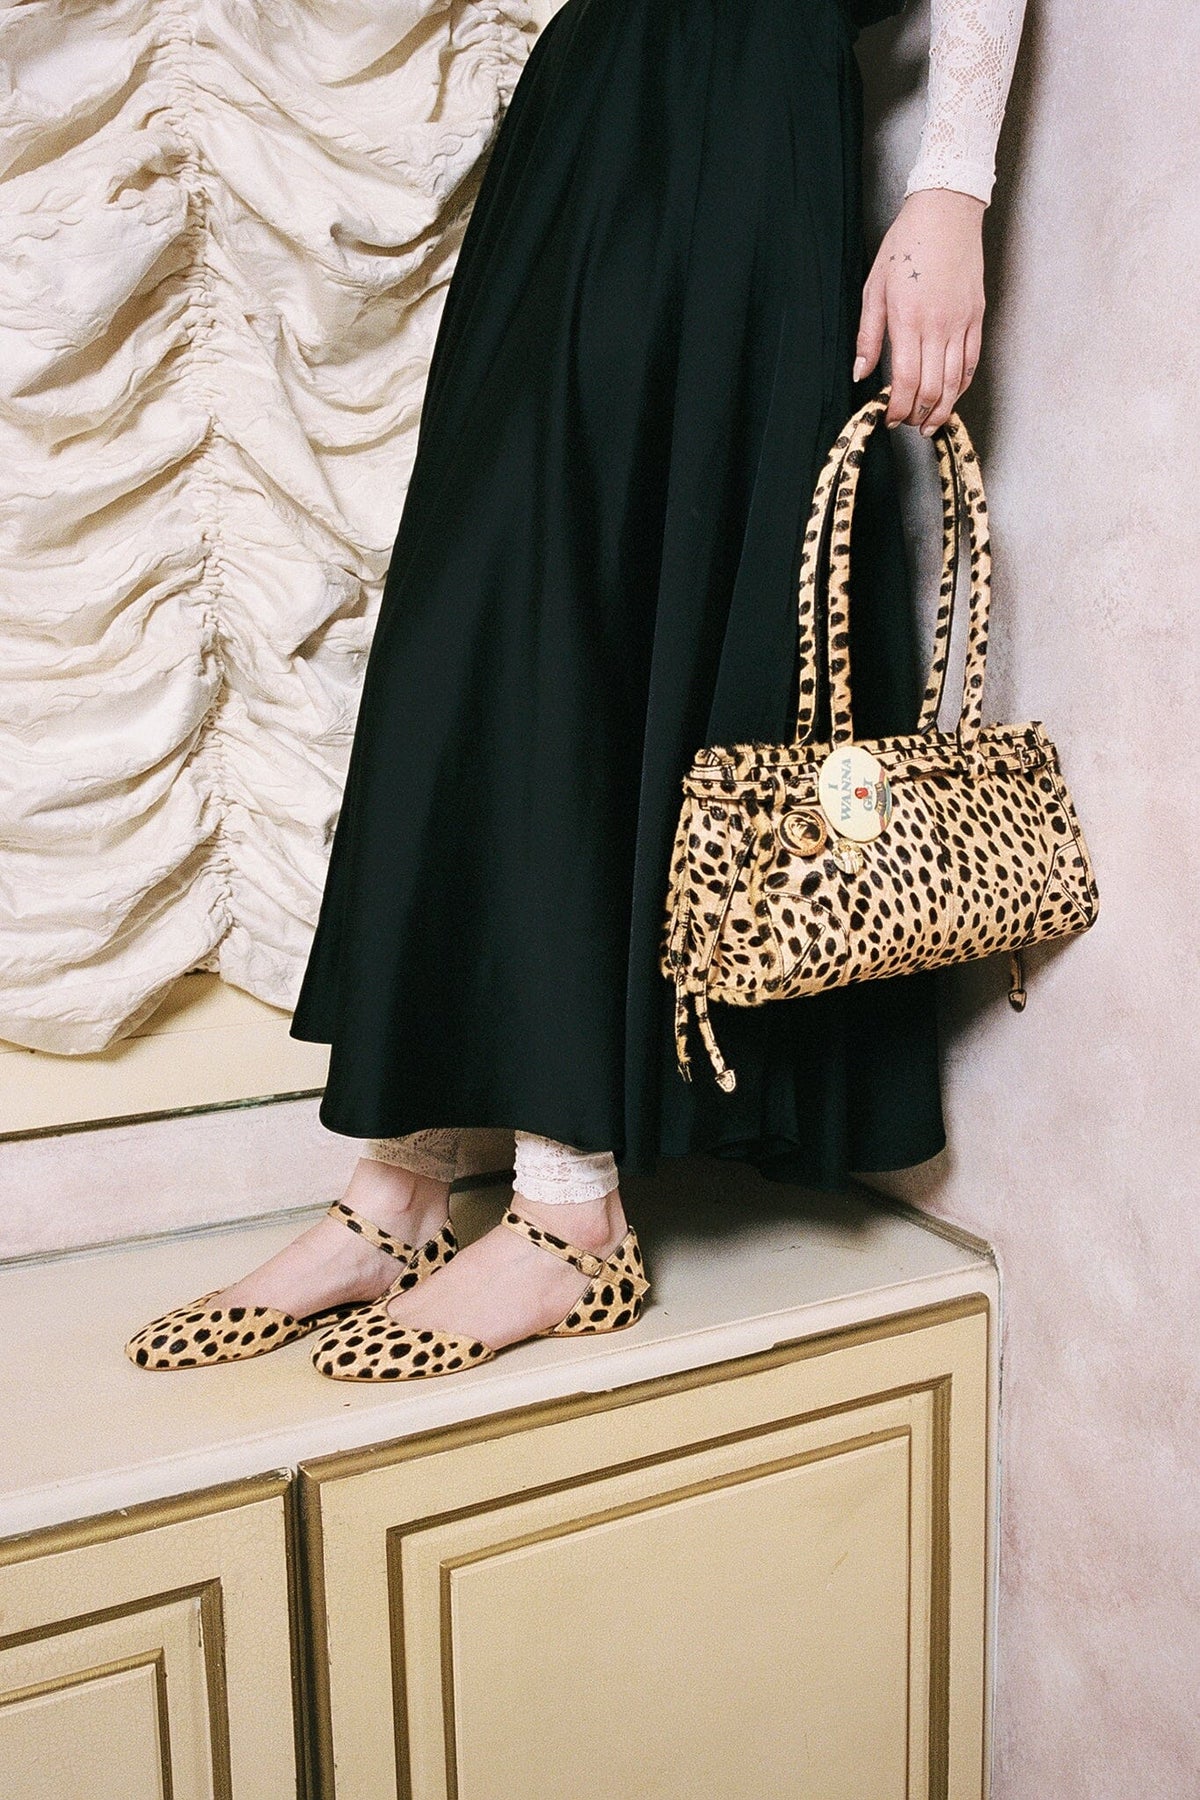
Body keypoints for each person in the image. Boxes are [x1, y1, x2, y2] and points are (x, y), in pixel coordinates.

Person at [127, 0, 1028, 1378]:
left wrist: (953, 186)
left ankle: (569, 1211)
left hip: (744, 106)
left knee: (610, 584)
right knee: (482, 599)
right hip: (588, 99)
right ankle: (401, 1184)